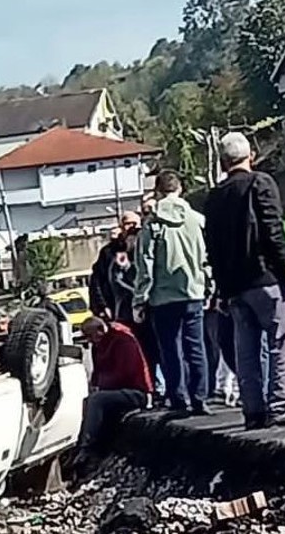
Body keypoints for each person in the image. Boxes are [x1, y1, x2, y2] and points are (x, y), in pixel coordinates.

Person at [202, 132, 285, 429]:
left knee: (246, 348)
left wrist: (221, 288)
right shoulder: (260, 183)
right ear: (251, 155)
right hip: (264, 277)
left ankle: (253, 410)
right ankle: (280, 405)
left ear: (223, 162)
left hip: (234, 285)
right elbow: (272, 230)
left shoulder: (214, 197)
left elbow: (212, 246)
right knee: (282, 339)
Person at [133, 171, 211, 416]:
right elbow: (206, 257)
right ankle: (200, 398)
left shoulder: (152, 224)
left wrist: (140, 299)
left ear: (157, 191)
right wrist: (208, 286)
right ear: (180, 189)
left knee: (170, 349)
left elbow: (145, 264)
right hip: (193, 291)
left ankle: (178, 399)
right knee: (196, 347)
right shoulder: (196, 219)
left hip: (163, 297)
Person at [78, 317, 153, 458]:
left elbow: (126, 373)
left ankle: (87, 446)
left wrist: (102, 386)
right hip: (116, 390)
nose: (89, 340)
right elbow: (97, 372)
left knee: (97, 399)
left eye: (90, 336)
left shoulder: (123, 341)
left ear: (101, 330)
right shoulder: (99, 345)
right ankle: (86, 443)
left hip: (137, 392)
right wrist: (94, 385)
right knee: (89, 399)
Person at [89, 211, 142, 323]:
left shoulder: (147, 249)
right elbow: (97, 281)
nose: (132, 228)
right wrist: (102, 306)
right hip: (119, 310)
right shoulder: (109, 252)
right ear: (121, 227)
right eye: (128, 224)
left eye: (135, 224)